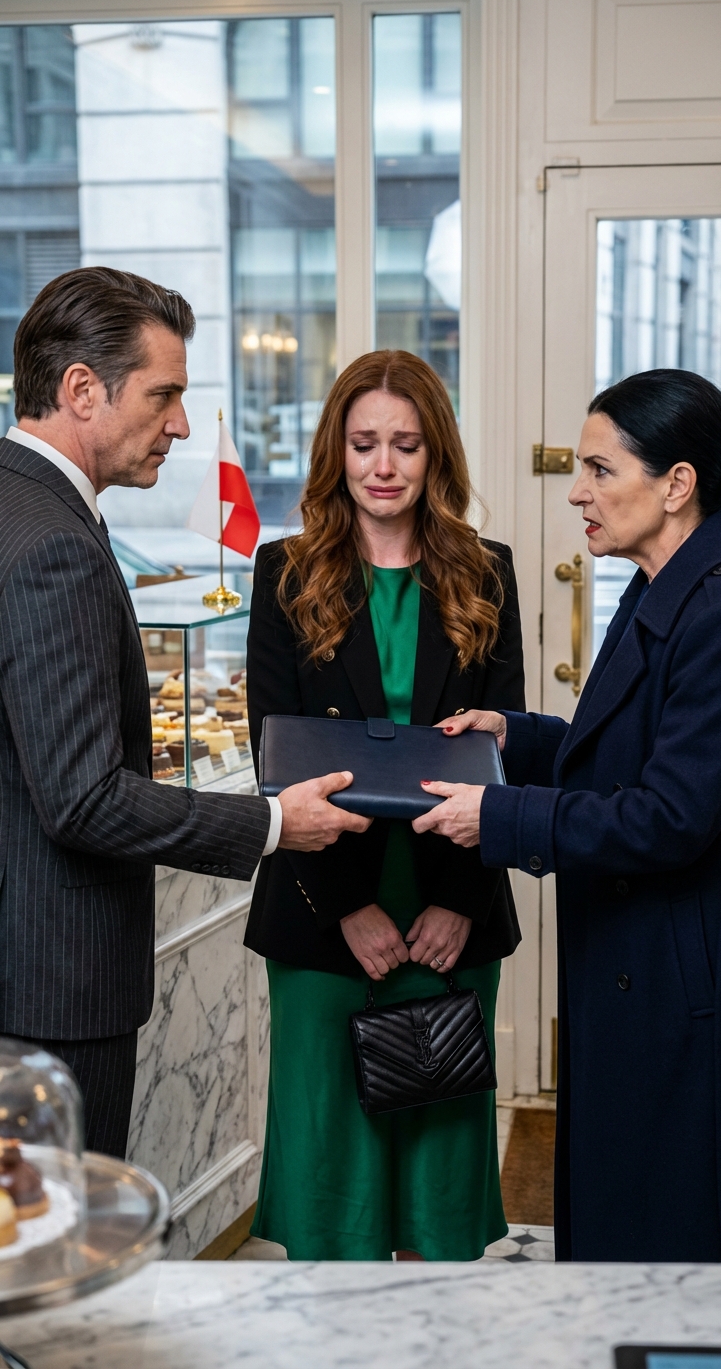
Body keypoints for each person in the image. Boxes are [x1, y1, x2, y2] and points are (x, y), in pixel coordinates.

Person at [0, 267, 369, 1159]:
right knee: (65, 1226)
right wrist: (276, 824)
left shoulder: (23, 501)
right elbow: (83, 799)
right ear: (81, 389)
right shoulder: (54, 544)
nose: (182, 424)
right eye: (163, 395)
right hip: (50, 985)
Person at [414, 368, 721, 1262]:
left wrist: (501, 817)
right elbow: (631, 749)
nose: (577, 491)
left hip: (685, 979)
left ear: (677, 484)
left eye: (600, 470)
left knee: (671, 1239)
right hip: (638, 960)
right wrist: (517, 735)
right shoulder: (661, 583)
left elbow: (668, 817)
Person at [245, 349, 525, 1260]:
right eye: (364, 443)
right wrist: (351, 908)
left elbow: (502, 753)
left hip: (452, 909)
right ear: (337, 450)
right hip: (324, 908)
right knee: (335, 1174)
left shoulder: (487, 572)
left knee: (434, 1177)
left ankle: (425, 1333)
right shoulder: (285, 572)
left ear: (436, 453)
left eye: (406, 444)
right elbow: (278, 765)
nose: (383, 466)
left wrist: (459, 902)